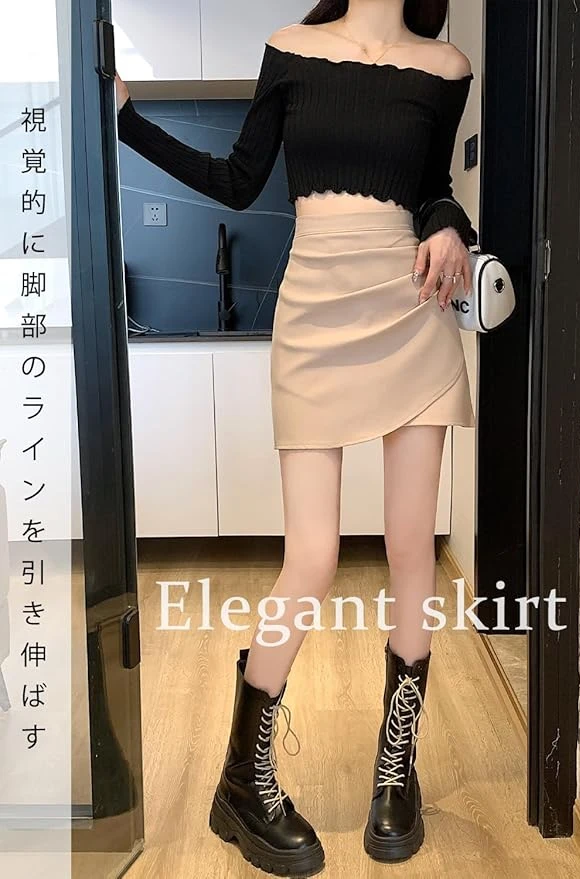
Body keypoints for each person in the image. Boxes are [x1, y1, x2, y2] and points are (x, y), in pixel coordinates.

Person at [115, 0, 476, 874]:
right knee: (311, 557)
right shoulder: (290, 48)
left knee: (411, 551)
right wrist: (126, 121)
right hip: (314, 307)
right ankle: (242, 781)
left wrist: (448, 223)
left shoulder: (446, 66)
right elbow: (240, 179)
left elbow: (432, 183)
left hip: (412, 312)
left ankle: (397, 773)